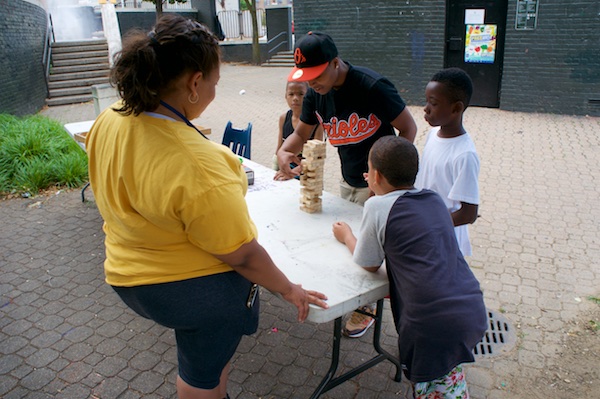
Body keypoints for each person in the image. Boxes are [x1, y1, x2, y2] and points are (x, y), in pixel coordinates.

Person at [85, 14, 328, 399]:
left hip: (124, 272)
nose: (216, 88)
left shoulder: (111, 119)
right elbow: (244, 255)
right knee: (200, 377)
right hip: (185, 289)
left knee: (209, 363)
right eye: (216, 81)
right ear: (195, 83)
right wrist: (289, 290)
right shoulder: (199, 163)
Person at [276, 31, 418, 337]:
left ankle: (368, 311)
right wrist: (284, 150)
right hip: (349, 180)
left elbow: (408, 128)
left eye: (317, 75)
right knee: (351, 244)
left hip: (382, 186)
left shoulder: (372, 86)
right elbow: (301, 134)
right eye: (306, 77)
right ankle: (358, 301)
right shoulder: (317, 93)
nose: (312, 84)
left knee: (374, 254)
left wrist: (389, 184)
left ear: (336, 62)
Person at [332, 135, 487, 399]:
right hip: (469, 306)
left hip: (431, 325)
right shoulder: (434, 199)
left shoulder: (377, 205)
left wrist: (347, 236)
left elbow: (368, 263)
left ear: (376, 176)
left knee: (435, 390)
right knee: (448, 380)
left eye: (368, 170)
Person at [415, 67, 480, 256]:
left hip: (444, 239)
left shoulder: (464, 155)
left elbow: (468, 213)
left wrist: (431, 224)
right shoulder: (433, 134)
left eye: (433, 103)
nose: (426, 108)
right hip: (424, 228)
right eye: (427, 101)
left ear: (456, 108)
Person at [272, 80, 323, 180]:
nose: (295, 98)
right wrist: (277, 167)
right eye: (291, 94)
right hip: (287, 171)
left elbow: (317, 157)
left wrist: (295, 172)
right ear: (285, 96)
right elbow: (279, 149)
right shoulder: (284, 118)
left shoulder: (317, 123)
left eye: (301, 94)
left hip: (309, 175)